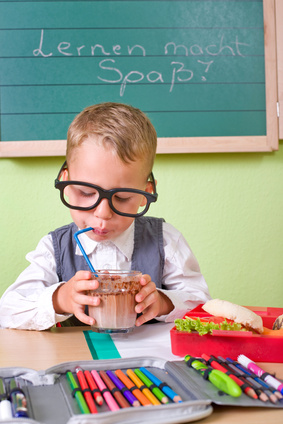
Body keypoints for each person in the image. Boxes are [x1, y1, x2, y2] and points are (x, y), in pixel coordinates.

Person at [0, 102, 210, 330]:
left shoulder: (165, 241)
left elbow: (202, 306)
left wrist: (163, 302)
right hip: (77, 362)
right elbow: (8, 310)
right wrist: (61, 298)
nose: (103, 214)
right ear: (66, 183)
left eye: (121, 198)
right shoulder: (55, 248)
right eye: (86, 193)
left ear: (145, 194)